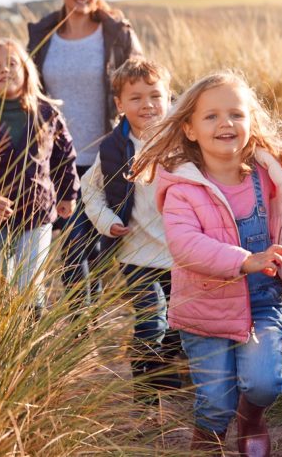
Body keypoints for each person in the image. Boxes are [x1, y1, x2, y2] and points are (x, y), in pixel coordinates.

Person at [131, 71, 282, 455]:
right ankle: (207, 441)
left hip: (261, 302)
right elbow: (186, 245)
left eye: (236, 114)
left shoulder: (264, 176)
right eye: (211, 116)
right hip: (204, 309)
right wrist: (246, 260)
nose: (225, 123)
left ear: (250, 123)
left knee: (265, 384)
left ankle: (252, 419)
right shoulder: (182, 189)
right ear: (190, 129)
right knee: (215, 401)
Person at [27, 0, 143, 314]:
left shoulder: (115, 34)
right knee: (72, 243)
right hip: (54, 158)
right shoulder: (43, 35)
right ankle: (82, 326)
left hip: (103, 156)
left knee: (83, 245)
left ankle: (82, 325)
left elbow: (140, 80)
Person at [0, 39, 79, 315]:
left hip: (37, 214)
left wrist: (68, 193)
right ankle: (0, 342)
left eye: (12, 64)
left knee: (30, 284)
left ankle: (30, 339)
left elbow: (64, 156)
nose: (5, 70)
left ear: (27, 71)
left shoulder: (47, 113)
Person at [80, 58, 181, 406]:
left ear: (170, 97)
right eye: (135, 98)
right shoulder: (113, 147)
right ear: (120, 105)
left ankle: (166, 374)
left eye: (155, 95)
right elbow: (89, 190)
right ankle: (147, 401)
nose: (147, 104)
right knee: (150, 322)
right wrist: (107, 221)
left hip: (182, 253)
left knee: (179, 326)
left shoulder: (186, 141)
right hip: (136, 254)